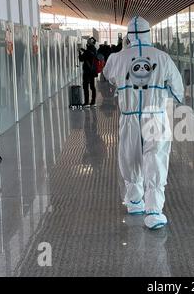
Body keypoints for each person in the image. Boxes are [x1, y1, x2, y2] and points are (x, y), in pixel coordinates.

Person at [104, 16, 184, 230]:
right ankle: (154, 211)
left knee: (130, 158)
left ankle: (134, 202)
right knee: (155, 159)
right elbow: (178, 90)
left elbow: (108, 76)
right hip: (155, 115)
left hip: (129, 116)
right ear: (149, 33)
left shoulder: (116, 58)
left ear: (129, 36)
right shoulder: (163, 57)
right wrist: (164, 95)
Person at [79, 37, 98, 108]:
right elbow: (92, 55)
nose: (87, 42)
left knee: (86, 86)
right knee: (92, 87)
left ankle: (86, 102)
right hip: (92, 71)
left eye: (88, 41)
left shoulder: (88, 51)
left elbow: (81, 59)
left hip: (87, 71)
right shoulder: (94, 50)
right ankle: (93, 102)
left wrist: (79, 52)